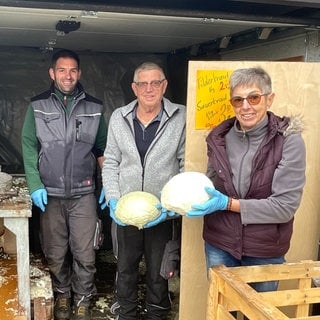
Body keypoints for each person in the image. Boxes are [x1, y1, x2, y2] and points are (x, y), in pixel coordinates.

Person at [186, 67, 306, 293]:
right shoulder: (218, 139)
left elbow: (284, 207)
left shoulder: (288, 141)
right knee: (222, 311)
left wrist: (228, 204)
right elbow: (209, 187)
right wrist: (175, 205)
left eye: (253, 97)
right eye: (238, 99)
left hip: (263, 249)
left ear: (269, 99)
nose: (245, 106)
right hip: (219, 243)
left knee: (259, 313)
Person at [21, 49, 107, 320]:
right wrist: (35, 185)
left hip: (84, 193)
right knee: (55, 252)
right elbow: (28, 145)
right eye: (62, 70)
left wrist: (107, 184)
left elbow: (103, 148)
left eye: (72, 70)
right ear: (52, 73)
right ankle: (61, 296)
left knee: (85, 252)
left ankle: (83, 299)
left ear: (79, 73)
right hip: (50, 193)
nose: (67, 75)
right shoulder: (37, 106)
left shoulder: (94, 107)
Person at [101, 62, 186, 320]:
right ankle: (125, 313)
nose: (149, 89)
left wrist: (172, 205)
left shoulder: (181, 116)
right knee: (125, 268)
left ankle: (157, 313)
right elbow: (111, 160)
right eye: (143, 84)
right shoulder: (119, 116)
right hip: (128, 211)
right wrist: (114, 199)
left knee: (159, 269)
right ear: (134, 88)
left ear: (164, 86)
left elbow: (186, 164)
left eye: (155, 83)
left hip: (162, 211)